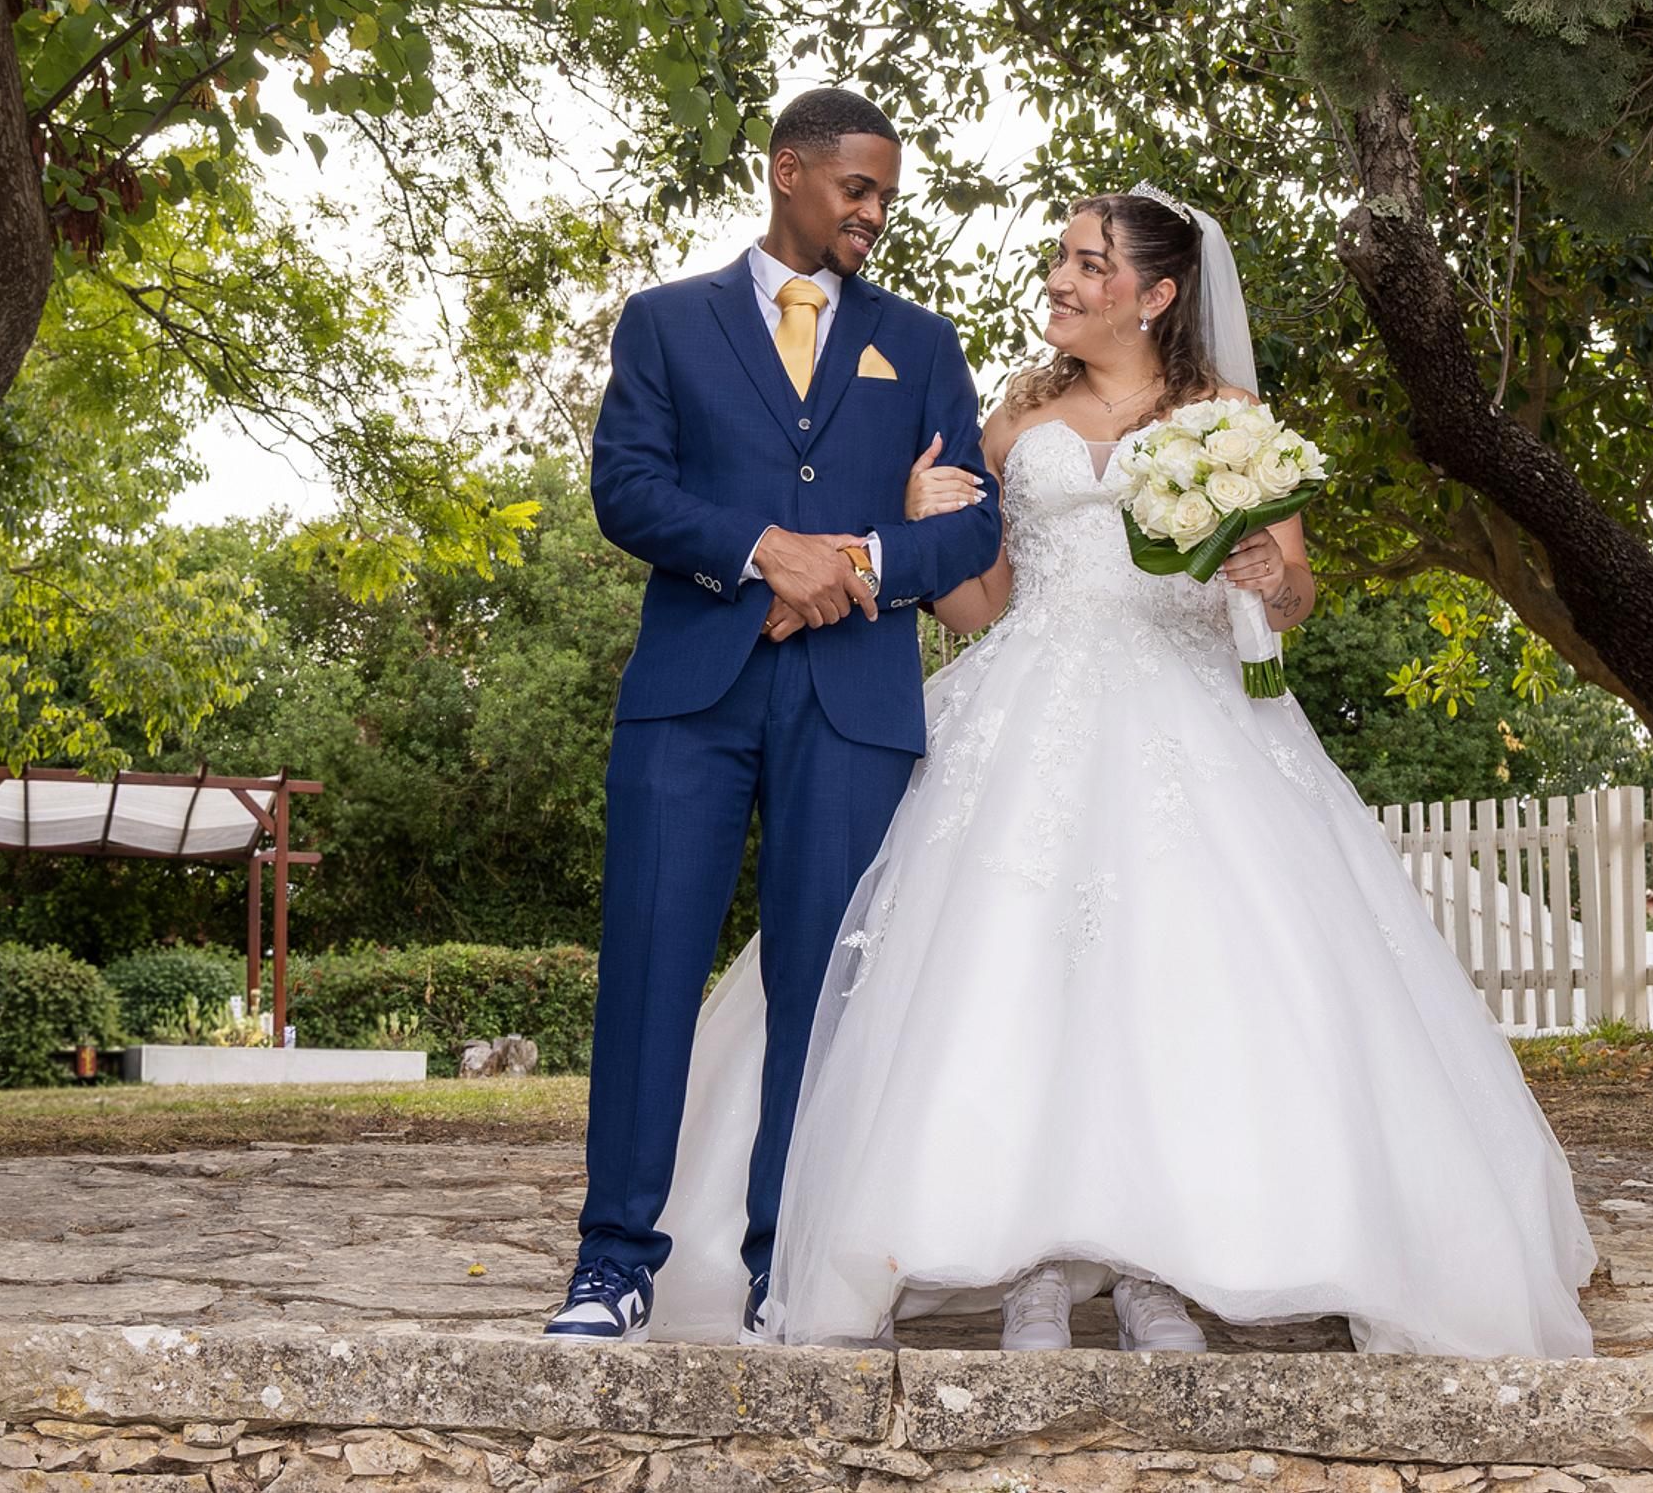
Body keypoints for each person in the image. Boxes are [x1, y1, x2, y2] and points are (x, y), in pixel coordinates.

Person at [640, 185, 1596, 1357]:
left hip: (1189, 718)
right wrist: (912, 519)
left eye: (1088, 263)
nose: (1060, 278)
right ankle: (1033, 1267)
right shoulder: (1009, 423)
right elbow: (981, 602)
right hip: (1027, 706)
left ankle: (1158, 1268)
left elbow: (1291, 598)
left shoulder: (1230, 417)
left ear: (1153, 294)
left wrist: (1262, 570)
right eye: (1061, 257)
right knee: (1008, 981)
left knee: (1180, 984)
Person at [545, 89, 1002, 1342]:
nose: (874, 215)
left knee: (825, 990)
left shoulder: (920, 344)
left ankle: (777, 1270)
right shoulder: (666, 324)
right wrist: (756, 550)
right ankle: (612, 1264)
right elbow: (625, 489)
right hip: (688, 697)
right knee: (647, 970)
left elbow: (968, 526)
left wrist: (853, 560)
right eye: (857, 190)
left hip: (852, 704)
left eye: (885, 198)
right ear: (788, 172)